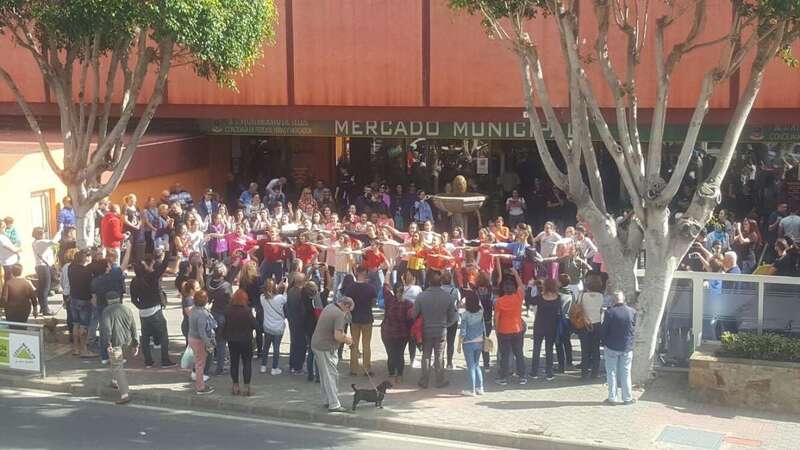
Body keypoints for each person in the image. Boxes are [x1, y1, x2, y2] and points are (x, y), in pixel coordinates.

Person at [413, 270, 458, 389]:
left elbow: (414, 314)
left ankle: (424, 381)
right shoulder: (447, 297)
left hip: (426, 329)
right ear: (441, 282)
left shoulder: (421, 296)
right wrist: (445, 324)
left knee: (426, 355)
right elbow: (453, 317)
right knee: (439, 356)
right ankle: (439, 380)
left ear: (428, 282)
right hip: (441, 330)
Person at [130, 253, 175, 369]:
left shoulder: (134, 282)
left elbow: (133, 299)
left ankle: (148, 361)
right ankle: (165, 360)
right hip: (155, 310)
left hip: (143, 312)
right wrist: (168, 254)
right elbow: (163, 267)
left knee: (145, 337)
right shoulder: (151, 277)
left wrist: (140, 306)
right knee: (163, 335)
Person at [311, 296, 354, 413]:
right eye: (349, 310)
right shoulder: (339, 314)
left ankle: (327, 400)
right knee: (331, 375)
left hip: (317, 344)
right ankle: (334, 404)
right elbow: (338, 336)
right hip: (326, 347)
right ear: (346, 306)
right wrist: (348, 340)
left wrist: (343, 335)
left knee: (324, 374)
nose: (348, 313)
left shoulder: (329, 307)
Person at [99, 290, 139, 405]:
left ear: (108, 301)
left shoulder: (106, 311)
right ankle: (114, 381)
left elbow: (106, 330)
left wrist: (107, 344)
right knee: (117, 363)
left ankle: (124, 394)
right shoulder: (127, 309)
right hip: (127, 341)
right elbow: (133, 326)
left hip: (115, 343)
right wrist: (135, 343)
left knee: (117, 367)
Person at [601, 292, 636, 405]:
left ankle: (612, 398)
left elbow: (604, 329)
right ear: (623, 299)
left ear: (613, 300)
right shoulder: (632, 312)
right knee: (626, 372)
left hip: (612, 346)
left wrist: (604, 342)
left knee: (611, 372)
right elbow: (633, 328)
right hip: (627, 346)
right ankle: (627, 398)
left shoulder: (609, 312)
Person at [91, 254, 127, 365]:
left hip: (102, 308)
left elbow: (93, 299)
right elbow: (124, 265)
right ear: (107, 267)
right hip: (115, 308)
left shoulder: (95, 281)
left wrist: (97, 308)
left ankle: (104, 356)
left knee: (104, 334)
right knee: (116, 332)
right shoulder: (114, 276)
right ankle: (116, 357)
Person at [494, 269, 527, 386]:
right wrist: (516, 274)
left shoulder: (499, 301)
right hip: (517, 329)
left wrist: (496, 330)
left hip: (504, 330)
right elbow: (521, 286)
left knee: (505, 354)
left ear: (504, 289)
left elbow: (497, 318)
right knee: (519, 353)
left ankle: (503, 377)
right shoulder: (519, 297)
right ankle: (522, 376)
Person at [343, 266, 377, 376]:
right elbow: (374, 303)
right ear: (364, 273)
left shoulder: (351, 287)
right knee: (366, 345)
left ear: (357, 273)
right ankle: (367, 368)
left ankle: (353, 369)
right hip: (367, 318)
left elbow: (346, 302)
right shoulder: (370, 287)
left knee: (354, 344)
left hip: (355, 318)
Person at [529, 278, 563, 381]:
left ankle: (534, 372)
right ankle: (549, 373)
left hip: (539, 325)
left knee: (536, 348)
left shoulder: (540, 297)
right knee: (549, 349)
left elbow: (529, 300)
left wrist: (530, 287)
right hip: (552, 326)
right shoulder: (558, 298)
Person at [224, 289, 256, 396]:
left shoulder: (228, 310)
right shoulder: (247, 311)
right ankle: (246, 387)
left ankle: (235, 385)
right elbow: (254, 325)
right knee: (247, 362)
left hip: (232, 340)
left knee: (234, 362)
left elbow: (225, 325)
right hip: (246, 340)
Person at [381, 279, 413, 385]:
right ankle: (399, 376)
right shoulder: (408, 304)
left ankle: (391, 375)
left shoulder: (389, 299)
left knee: (391, 355)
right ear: (404, 291)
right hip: (402, 334)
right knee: (400, 354)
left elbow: (384, 286)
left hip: (387, 332)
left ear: (393, 291)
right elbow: (411, 318)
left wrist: (389, 272)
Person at [187, 290, 217, 394]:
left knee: (198, 362)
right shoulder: (202, 314)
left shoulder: (193, 310)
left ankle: (200, 384)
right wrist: (208, 344)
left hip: (192, 338)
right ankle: (200, 387)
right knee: (200, 364)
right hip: (199, 341)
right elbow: (202, 332)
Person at [457, 289, 485, 396]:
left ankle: (472, 389)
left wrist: (459, 344)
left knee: (471, 366)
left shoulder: (465, 315)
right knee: (477, 365)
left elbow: (463, 331)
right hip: (479, 341)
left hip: (468, 342)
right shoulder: (481, 312)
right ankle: (480, 388)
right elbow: (483, 327)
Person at [68, 250, 96, 357]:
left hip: (73, 298)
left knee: (76, 324)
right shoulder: (87, 272)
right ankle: (84, 349)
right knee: (84, 326)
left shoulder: (71, 268)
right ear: (84, 259)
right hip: (84, 300)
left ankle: (76, 348)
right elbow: (91, 286)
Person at [207, 262, 233, 375]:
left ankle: (209, 363)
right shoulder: (226, 286)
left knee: (213, 339)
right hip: (223, 314)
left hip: (213, 312)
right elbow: (231, 300)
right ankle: (220, 367)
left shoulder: (209, 283)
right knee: (222, 342)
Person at [578, 273, 606, 379]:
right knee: (596, 350)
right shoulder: (601, 296)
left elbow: (577, 307)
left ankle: (584, 372)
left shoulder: (582, 295)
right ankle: (595, 372)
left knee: (584, 350)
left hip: (584, 324)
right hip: (597, 324)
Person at [260, 279, 287, 375]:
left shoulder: (262, 297)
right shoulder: (280, 298)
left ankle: (263, 366)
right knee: (276, 348)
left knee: (265, 347)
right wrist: (284, 287)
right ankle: (274, 368)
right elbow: (285, 298)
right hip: (278, 327)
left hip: (267, 326)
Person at [31, 227, 59, 316]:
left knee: (41, 288)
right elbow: (54, 242)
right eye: (43, 233)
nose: (44, 234)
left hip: (39, 267)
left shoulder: (35, 242)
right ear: (39, 234)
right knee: (45, 288)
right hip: (43, 267)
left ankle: (43, 307)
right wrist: (60, 230)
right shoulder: (41, 242)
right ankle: (45, 309)